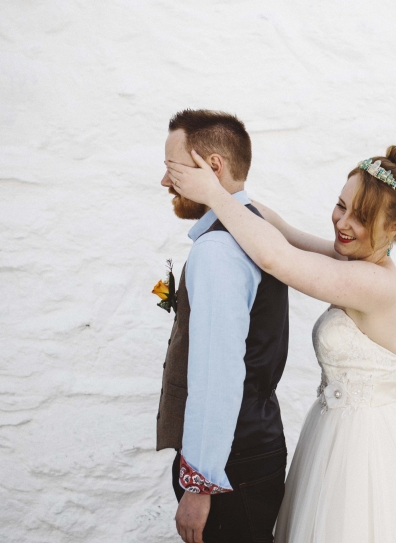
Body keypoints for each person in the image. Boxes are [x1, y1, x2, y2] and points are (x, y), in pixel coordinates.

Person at [167, 144, 396, 543]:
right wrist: (221, 184)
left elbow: (277, 258)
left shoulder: (376, 284)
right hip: (332, 433)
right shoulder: (354, 260)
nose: (342, 222)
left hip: (366, 448)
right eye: (341, 205)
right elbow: (282, 232)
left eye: (360, 217)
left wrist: (214, 195)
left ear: (393, 228)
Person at [156, 109, 290, 543]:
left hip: (230, 467)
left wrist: (199, 483)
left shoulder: (218, 249)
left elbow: (218, 375)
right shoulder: (256, 228)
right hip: (254, 448)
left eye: (172, 168)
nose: (165, 182)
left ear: (211, 167)